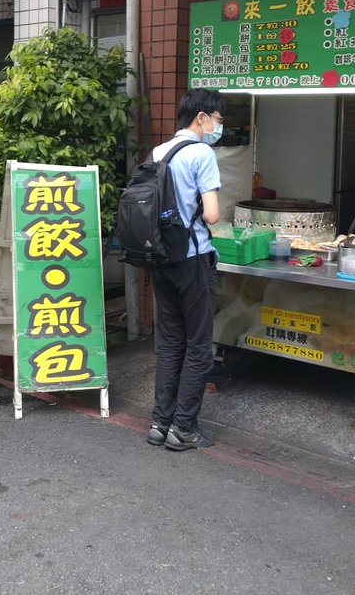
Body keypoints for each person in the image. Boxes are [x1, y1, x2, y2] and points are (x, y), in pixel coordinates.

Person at [147, 88, 224, 451]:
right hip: (193, 258)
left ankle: (160, 423)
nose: (218, 127)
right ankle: (184, 429)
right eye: (217, 120)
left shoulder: (158, 152)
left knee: (171, 342)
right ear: (201, 117)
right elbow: (212, 214)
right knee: (198, 345)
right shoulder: (201, 153)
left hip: (160, 258)